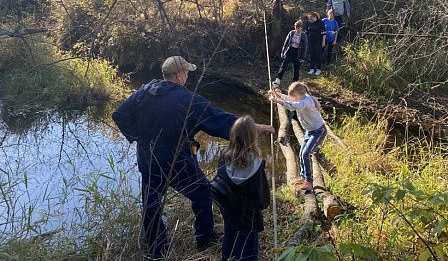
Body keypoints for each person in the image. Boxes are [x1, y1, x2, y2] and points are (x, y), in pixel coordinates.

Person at [112, 56, 274, 258]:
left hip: (147, 158)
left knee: (151, 203)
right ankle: (205, 239)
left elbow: (119, 115)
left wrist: (139, 138)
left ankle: (157, 248)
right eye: (187, 73)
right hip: (176, 161)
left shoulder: (145, 90)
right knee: (202, 193)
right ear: (179, 75)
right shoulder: (188, 100)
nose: (187, 76)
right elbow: (219, 119)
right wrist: (253, 128)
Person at [216, 115, 270, 261]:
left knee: (229, 237)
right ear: (252, 137)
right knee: (249, 248)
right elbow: (263, 197)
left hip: (228, 209)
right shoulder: (257, 164)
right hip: (249, 215)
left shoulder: (224, 157)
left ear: (233, 135)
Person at [268, 82, 327, 191]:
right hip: (310, 131)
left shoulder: (306, 101)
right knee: (301, 153)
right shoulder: (301, 98)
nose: (293, 98)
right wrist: (277, 95)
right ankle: (303, 176)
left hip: (318, 131)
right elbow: (290, 99)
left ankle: (309, 182)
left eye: (294, 96)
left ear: (299, 95)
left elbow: (292, 106)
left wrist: (277, 100)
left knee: (306, 153)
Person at [273, 20, 308, 87]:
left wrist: (303, 57)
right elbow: (286, 43)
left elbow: (305, 47)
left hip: (298, 52)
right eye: (296, 28)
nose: (297, 29)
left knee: (296, 68)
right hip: (290, 51)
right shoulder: (291, 33)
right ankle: (278, 80)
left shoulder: (304, 35)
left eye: (298, 28)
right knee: (284, 65)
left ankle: (295, 83)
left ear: (301, 27)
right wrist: (283, 52)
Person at [306, 11, 326, 76]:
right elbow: (306, 32)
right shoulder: (309, 23)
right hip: (310, 41)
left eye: (311, 18)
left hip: (318, 41)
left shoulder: (320, 23)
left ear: (315, 17)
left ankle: (318, 69)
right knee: (311, 55)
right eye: (309, 18)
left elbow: (324, 33)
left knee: (318, 55)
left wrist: (323, 41)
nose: (310, 19)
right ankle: (311, 69)